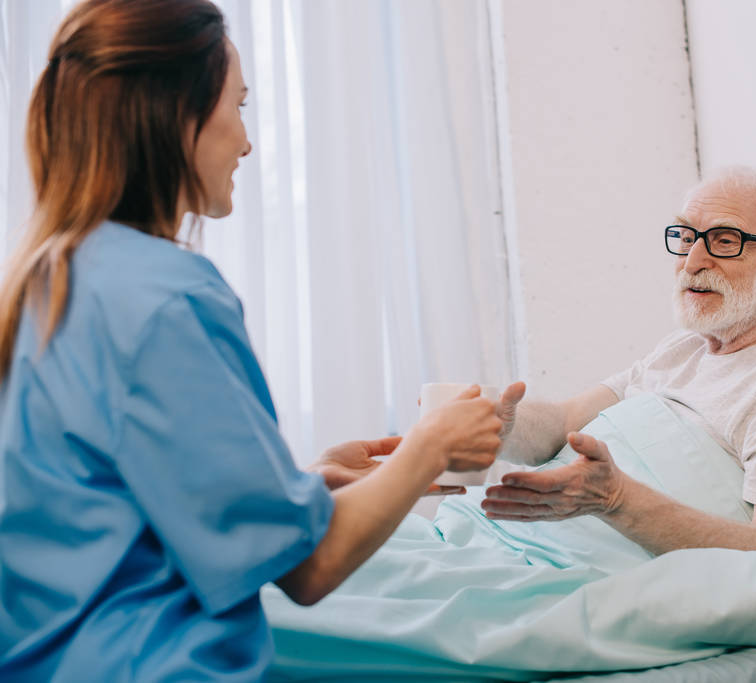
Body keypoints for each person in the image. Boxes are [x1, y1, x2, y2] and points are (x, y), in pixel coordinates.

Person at [0, 1, 504, 679]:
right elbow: (311, 570)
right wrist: (431, 443)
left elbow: (109, 504)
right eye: (238, 106)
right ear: (177, 112)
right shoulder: (168, 297)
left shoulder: (44, 282)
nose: (246, 140)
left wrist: (291, 487)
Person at [484, 166, 756, 555]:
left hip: (571, 569)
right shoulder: (681, 350)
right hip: (512, 543)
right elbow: (566, 423)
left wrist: (616, 500)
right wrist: (495, 426)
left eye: (724, 240)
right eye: (687, 238)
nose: (692, 261)